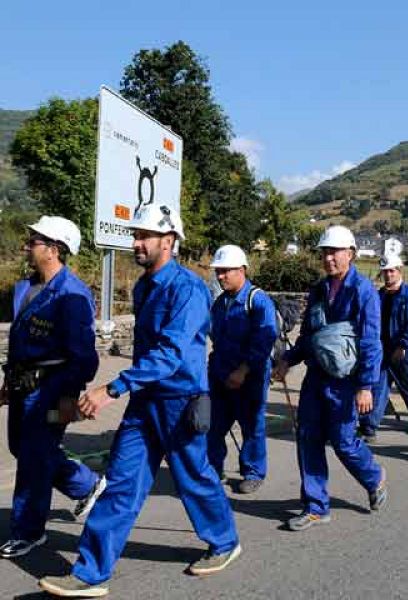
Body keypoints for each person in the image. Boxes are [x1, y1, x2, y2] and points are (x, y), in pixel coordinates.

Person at [39, 205, 240, 597]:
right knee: (120, 483)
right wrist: (128, 389)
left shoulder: (189, 289)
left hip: (180, 400)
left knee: (193, 478)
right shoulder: (144, 287)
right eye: (135, 234)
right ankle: (91, 573)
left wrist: (112, 388)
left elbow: (171, 353)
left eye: (145, 236)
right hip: (145, 402)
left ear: (169, 240)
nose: (136, 242)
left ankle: (225, 540)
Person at [0, 217, 105, 560]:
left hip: (55, 392)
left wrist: (63, 399)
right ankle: (87, 484)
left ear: (54, 249)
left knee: (33, 456)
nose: (27, 244)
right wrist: (9, 382)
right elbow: (20, 342)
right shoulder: (26, 288)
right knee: (22, 447)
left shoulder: (72, 294)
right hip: (21, 386)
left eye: (35, 240)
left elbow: (85, 360)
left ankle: (28, 531)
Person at [273, 225, 387, 531]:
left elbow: (370, 342)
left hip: (347, 382)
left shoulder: (363, 292)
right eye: (324, 253)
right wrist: (288, 360)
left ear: (350, 253)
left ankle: (373, 477)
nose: (329, 258)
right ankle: (315, 506)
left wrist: (365, 386)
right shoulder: (319, 290)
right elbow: (310, 334)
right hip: (317, 377)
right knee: (307, 436)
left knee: (344, 442)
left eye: (334, 252)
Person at [207, 245, 278, 494]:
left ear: (242, 270)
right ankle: (213, 469)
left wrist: (243, 370)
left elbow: (264, 339)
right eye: (219, 271)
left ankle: (253, 472)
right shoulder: (221, 302)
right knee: (214, 424)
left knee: (251, 426)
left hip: (251, 377)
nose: (221, 276)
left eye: (226, 271)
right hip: (220, 374)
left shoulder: (257, 301)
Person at [358, 253, 408, 441]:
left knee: (407, 385)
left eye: (391, 271)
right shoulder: (380, 295)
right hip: (383, 348)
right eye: (385, 272)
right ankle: (369, 427)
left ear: (399, 271)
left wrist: (403, 345)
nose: (388, 275)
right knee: (378, 386)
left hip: (404, 349)